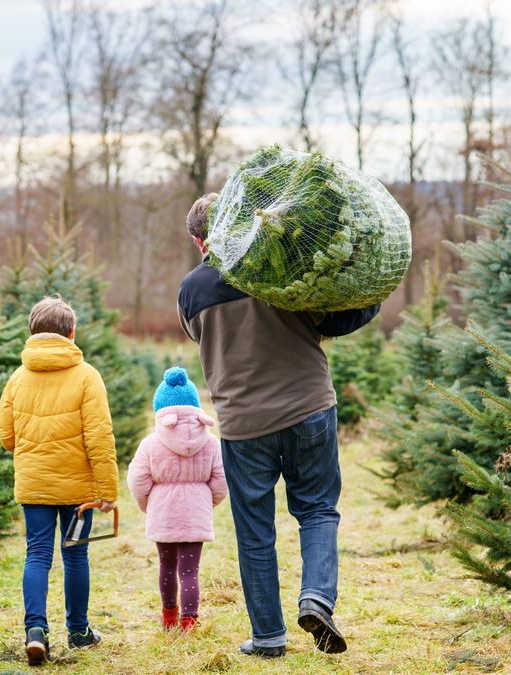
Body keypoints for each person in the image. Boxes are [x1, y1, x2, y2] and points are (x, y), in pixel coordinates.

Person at [177, 193, 381, 658]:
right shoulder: (278, 270)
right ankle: (316, 598)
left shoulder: (190, 291)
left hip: (243, 425)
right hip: (308, 407)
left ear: (198, 239)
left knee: (254, 532)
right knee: (317, 509)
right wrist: (373, 297)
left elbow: (197, 336)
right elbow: (340, 317)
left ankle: (268, 637)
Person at [0, 295, 119, 667]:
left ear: (32, 331)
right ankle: (79, 632)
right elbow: (100, 436)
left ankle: (36, 632)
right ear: (72, 332)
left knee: (37, 554)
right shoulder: (87, 376)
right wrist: (108, 491)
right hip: (79, 490)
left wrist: (31, 450)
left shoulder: (18, 377)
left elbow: (4, 432)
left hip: (34, 485)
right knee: (76, 554)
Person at [127, 367, 227, 633]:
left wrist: (147, 505)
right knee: (190, 570)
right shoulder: (212, 442)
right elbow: (221, 479)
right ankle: (190, 622)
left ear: (160, 407)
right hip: (196, 512)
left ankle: (169, 617)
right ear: (194, 405)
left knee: (167, 565)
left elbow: (137, 480)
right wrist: (209, 502)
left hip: (163, 511)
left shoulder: (150, 443)